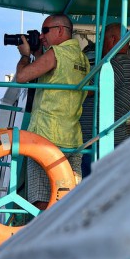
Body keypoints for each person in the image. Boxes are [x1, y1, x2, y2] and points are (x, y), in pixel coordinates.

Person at [15, 13, 89, 210]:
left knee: (42, 200)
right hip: (72, 139)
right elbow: (52, 77)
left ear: (60, 30)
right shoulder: (83, 60)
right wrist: (38, 54)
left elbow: (22, 77)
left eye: (45, 31)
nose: (41, 36)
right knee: (67, 200)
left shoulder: (56, 53)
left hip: (45, 137)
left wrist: (25, 56)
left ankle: (44, 239)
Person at [79, 23, 130, 177]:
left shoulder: (120, 62)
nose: (98, 44)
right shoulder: (114, 64)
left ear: (112, 40)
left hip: (105, 143)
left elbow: (90, 89)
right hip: (97, 143)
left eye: (101, 39)